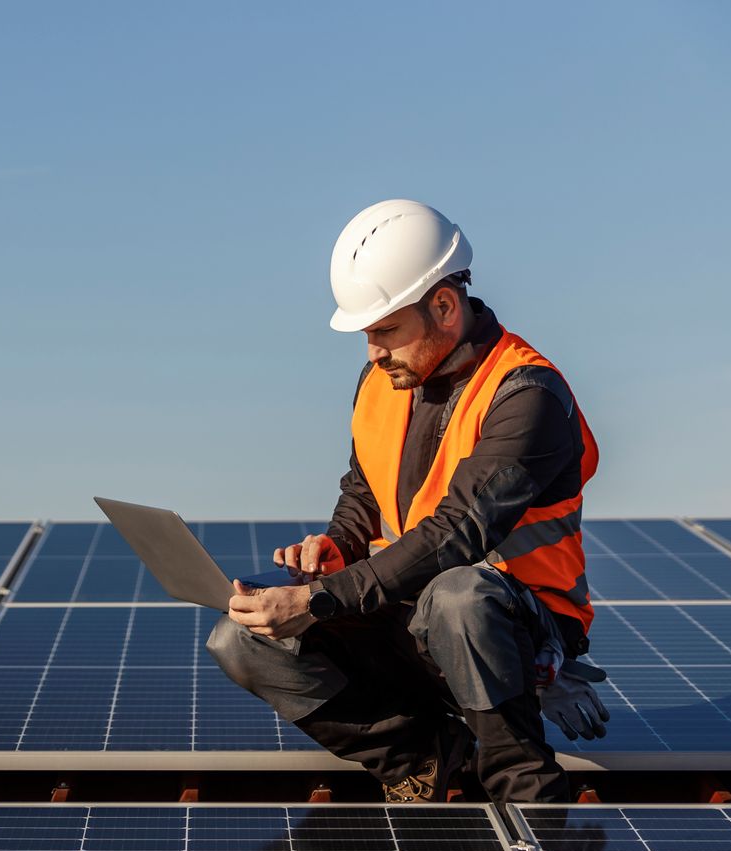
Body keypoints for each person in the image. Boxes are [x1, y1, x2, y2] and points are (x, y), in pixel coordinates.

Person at [208, 199, 608, 803]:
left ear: (444, 306)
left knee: (460, 596)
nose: (373, 351)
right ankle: (427, 763)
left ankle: (520, 787)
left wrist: (319, 599)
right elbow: (363, 490)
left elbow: (456, 535)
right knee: (241, 638)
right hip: (411, 608)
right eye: (368, 334)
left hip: (517, 628)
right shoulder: (385, 381)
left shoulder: (527, 395)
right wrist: (336, 545)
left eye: (385, 330)